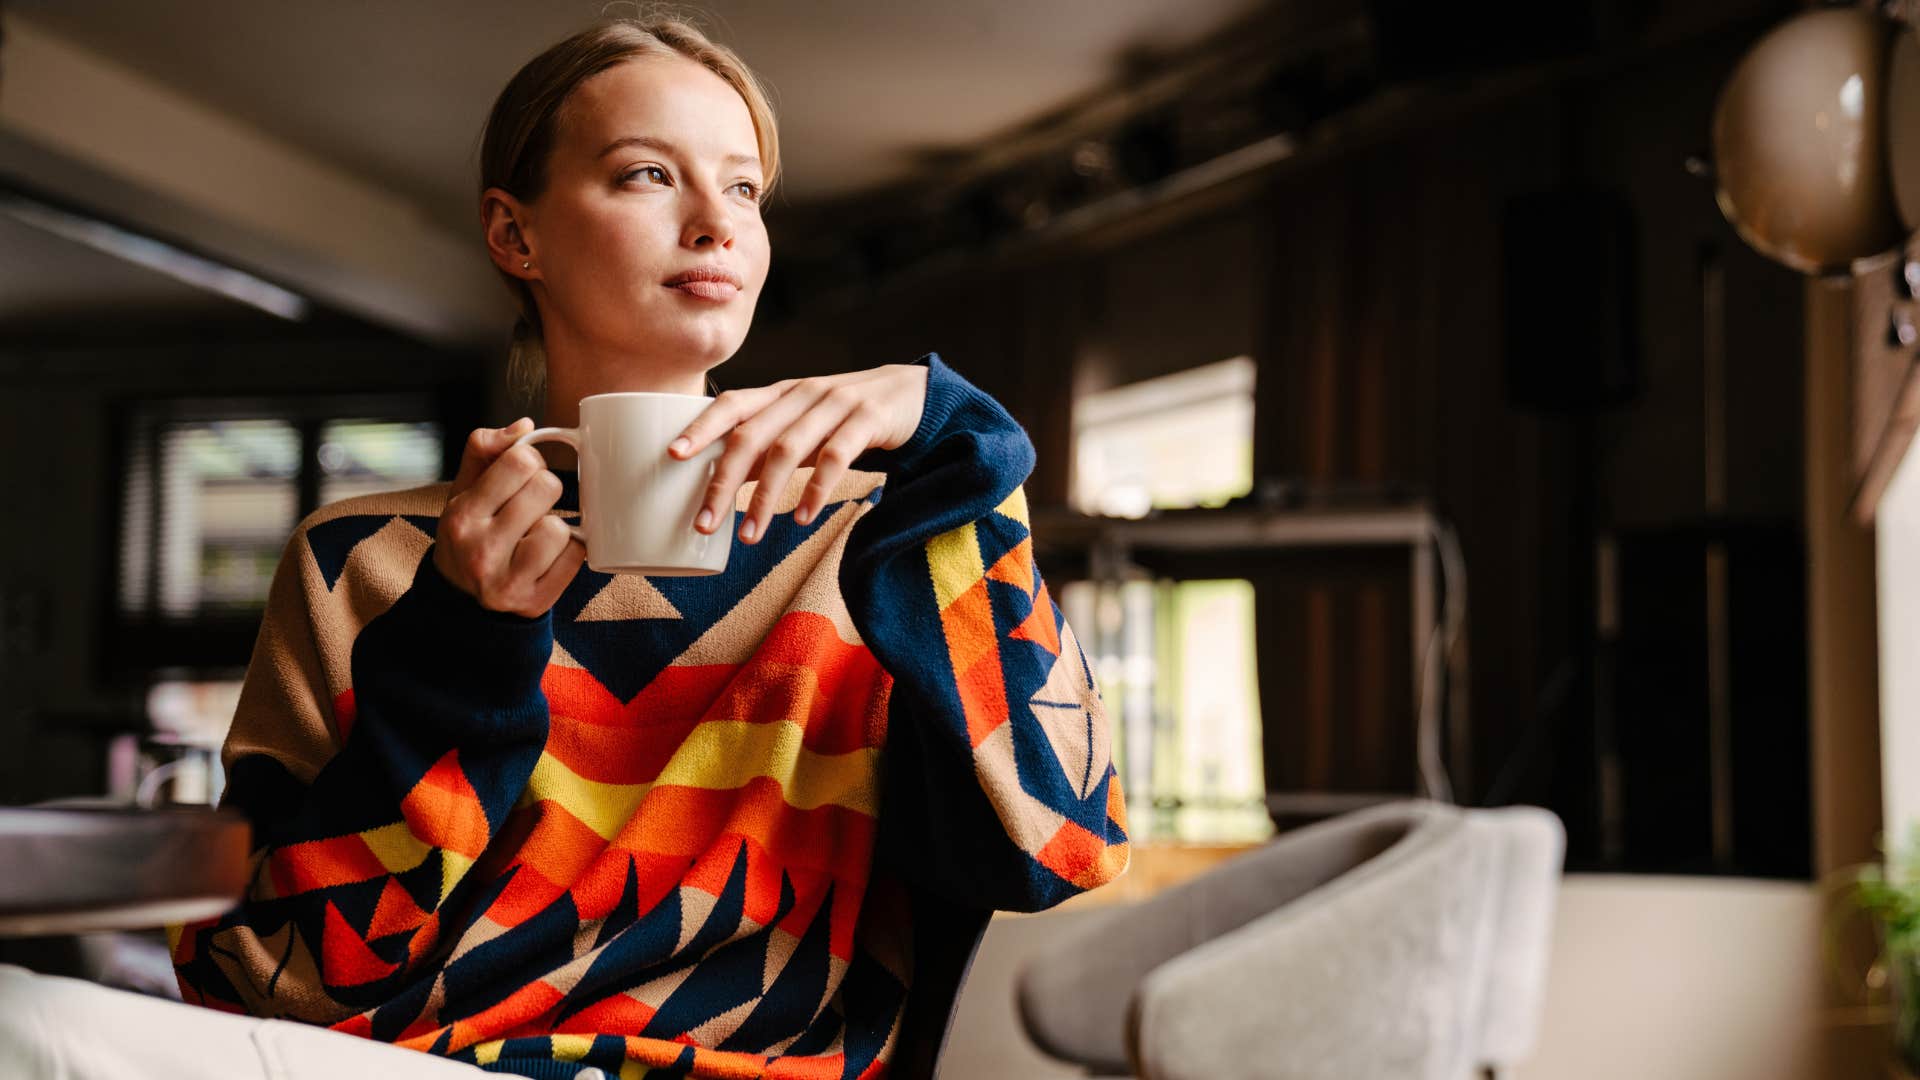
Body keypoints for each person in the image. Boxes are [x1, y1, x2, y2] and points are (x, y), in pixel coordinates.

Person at [0, 14, 1130, 1080]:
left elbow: (1055, 845)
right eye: (650, 174)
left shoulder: (876, 537)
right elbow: (276, 978)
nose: (716, 221)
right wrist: (463, 638)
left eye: (744, 187)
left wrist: (955, 445)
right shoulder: (370, 556)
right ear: (513, 232)